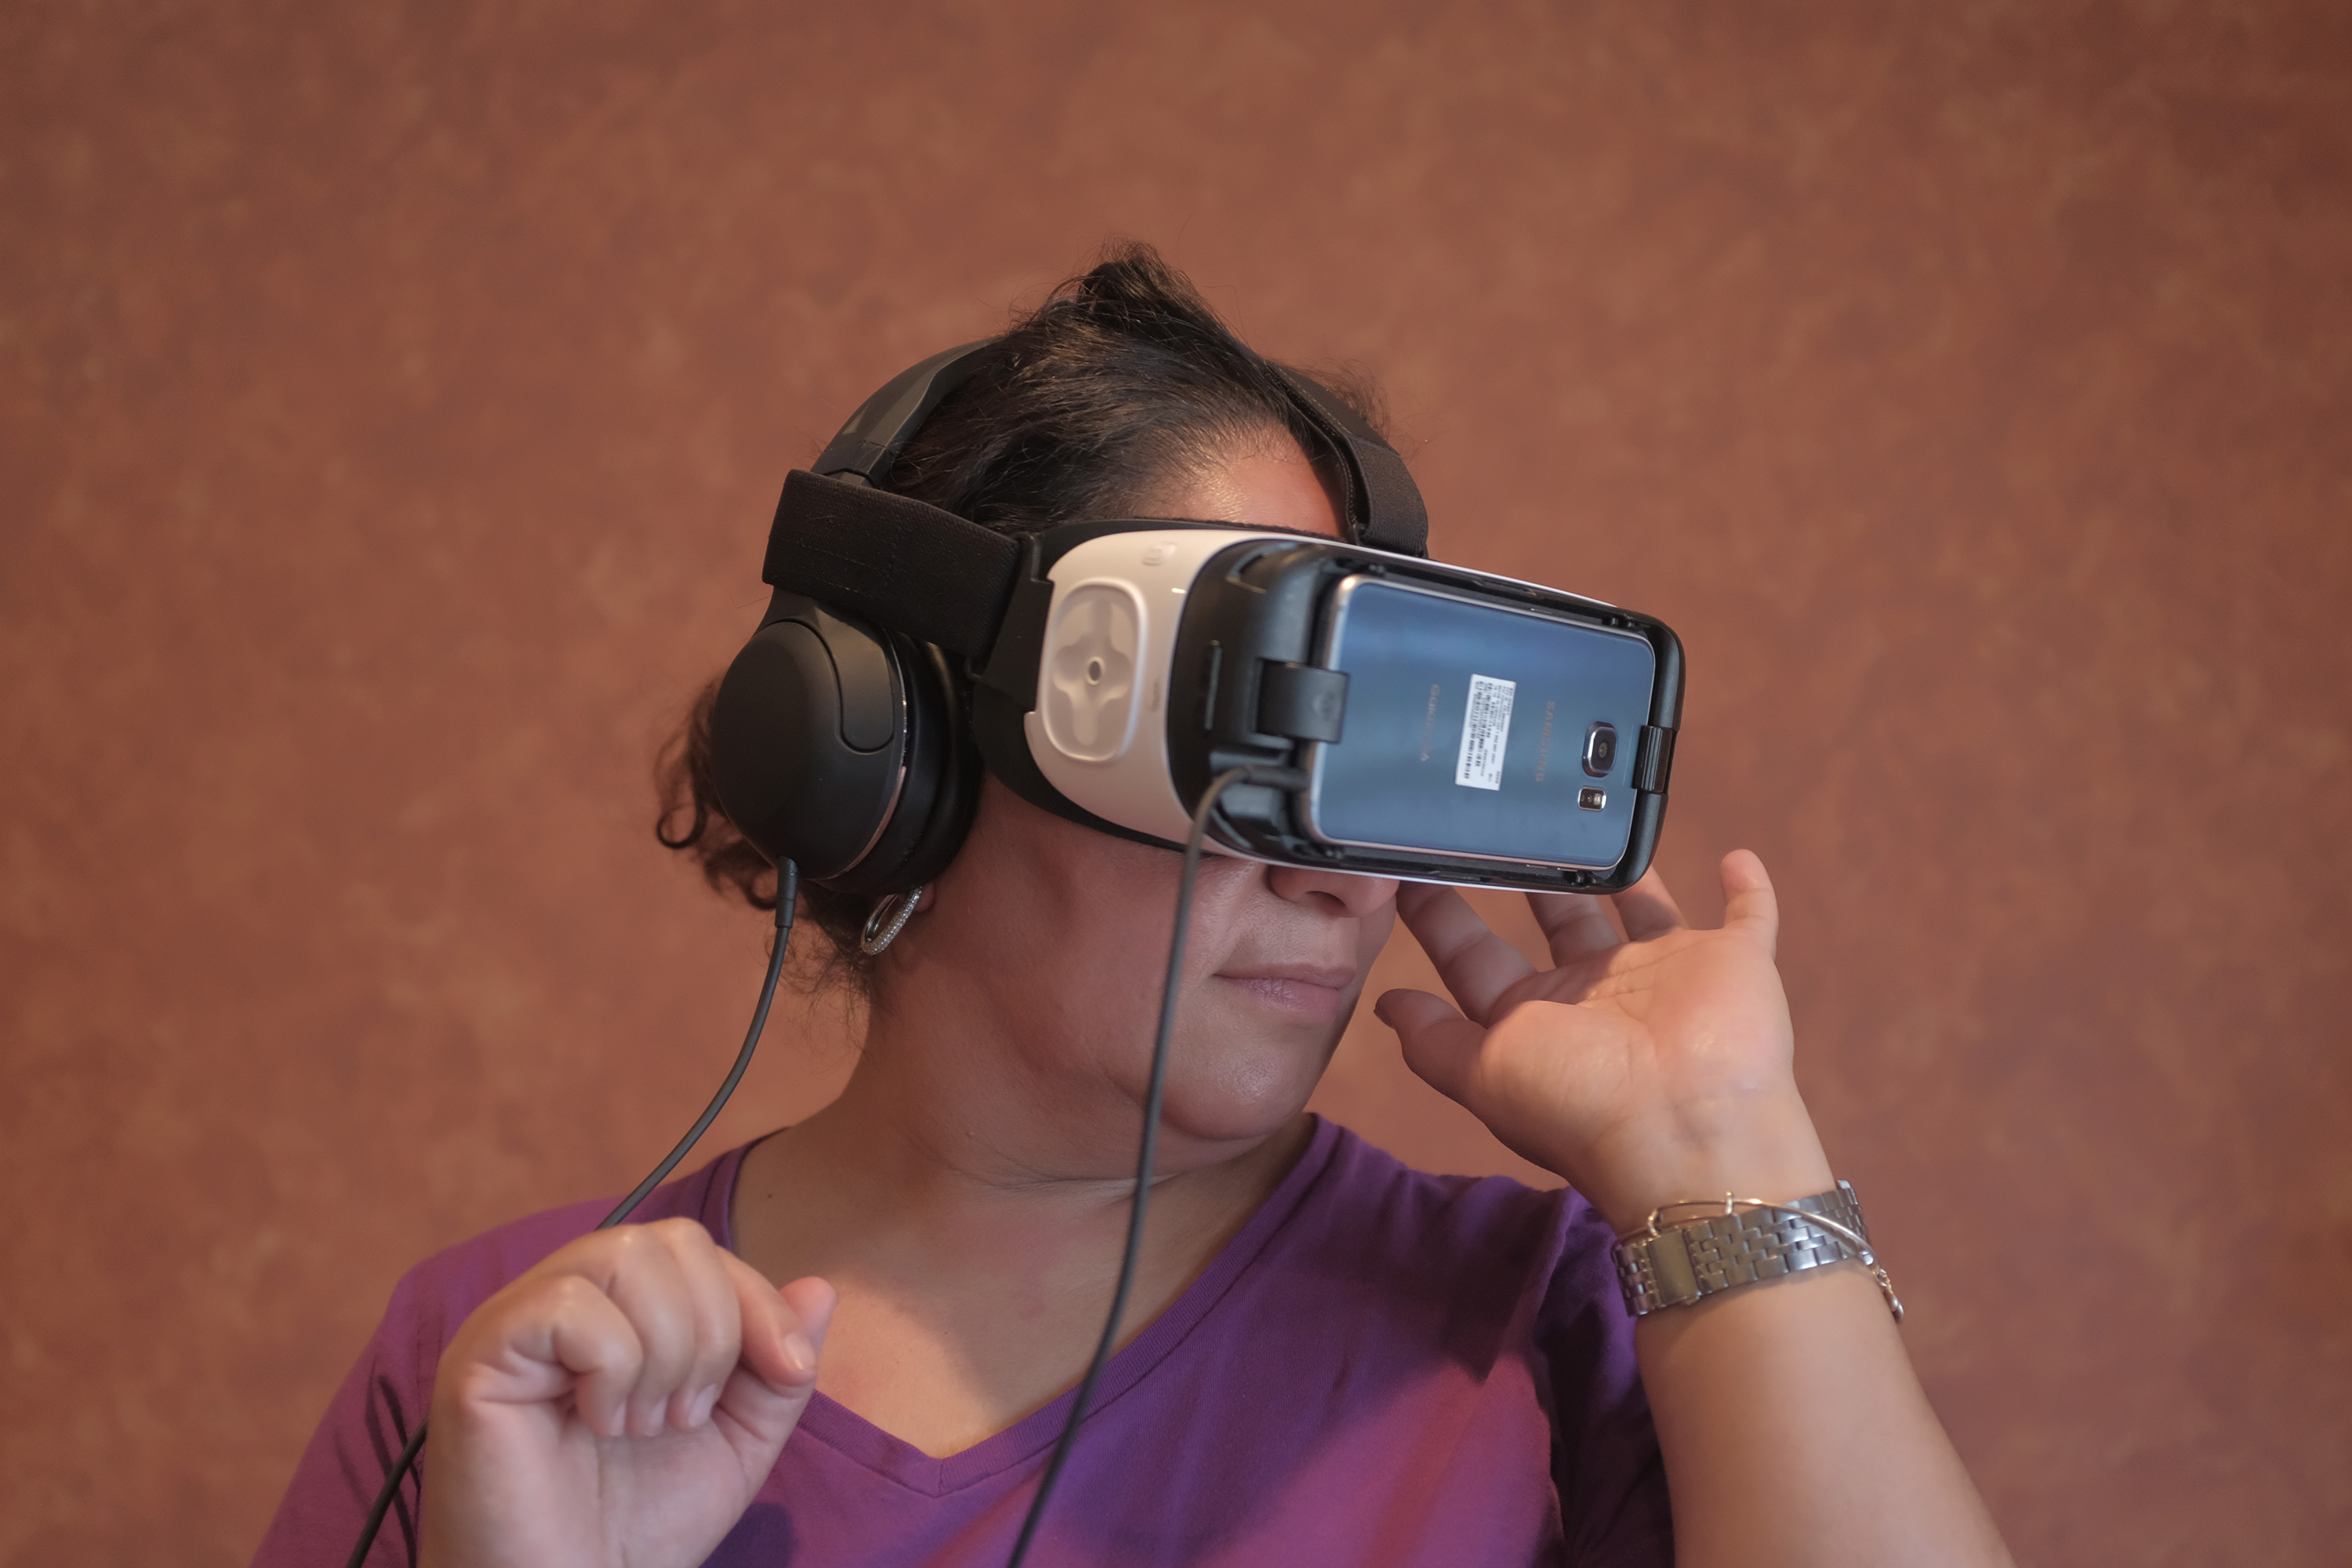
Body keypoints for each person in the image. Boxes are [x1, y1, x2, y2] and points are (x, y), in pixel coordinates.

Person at [256, 246, 2015, 1568]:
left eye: (1361, 753)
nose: (1338, 866)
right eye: (1244, 727)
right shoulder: (513, 1367)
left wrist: (1727, 1163)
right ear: (905, 747)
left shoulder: (1559, 1325)